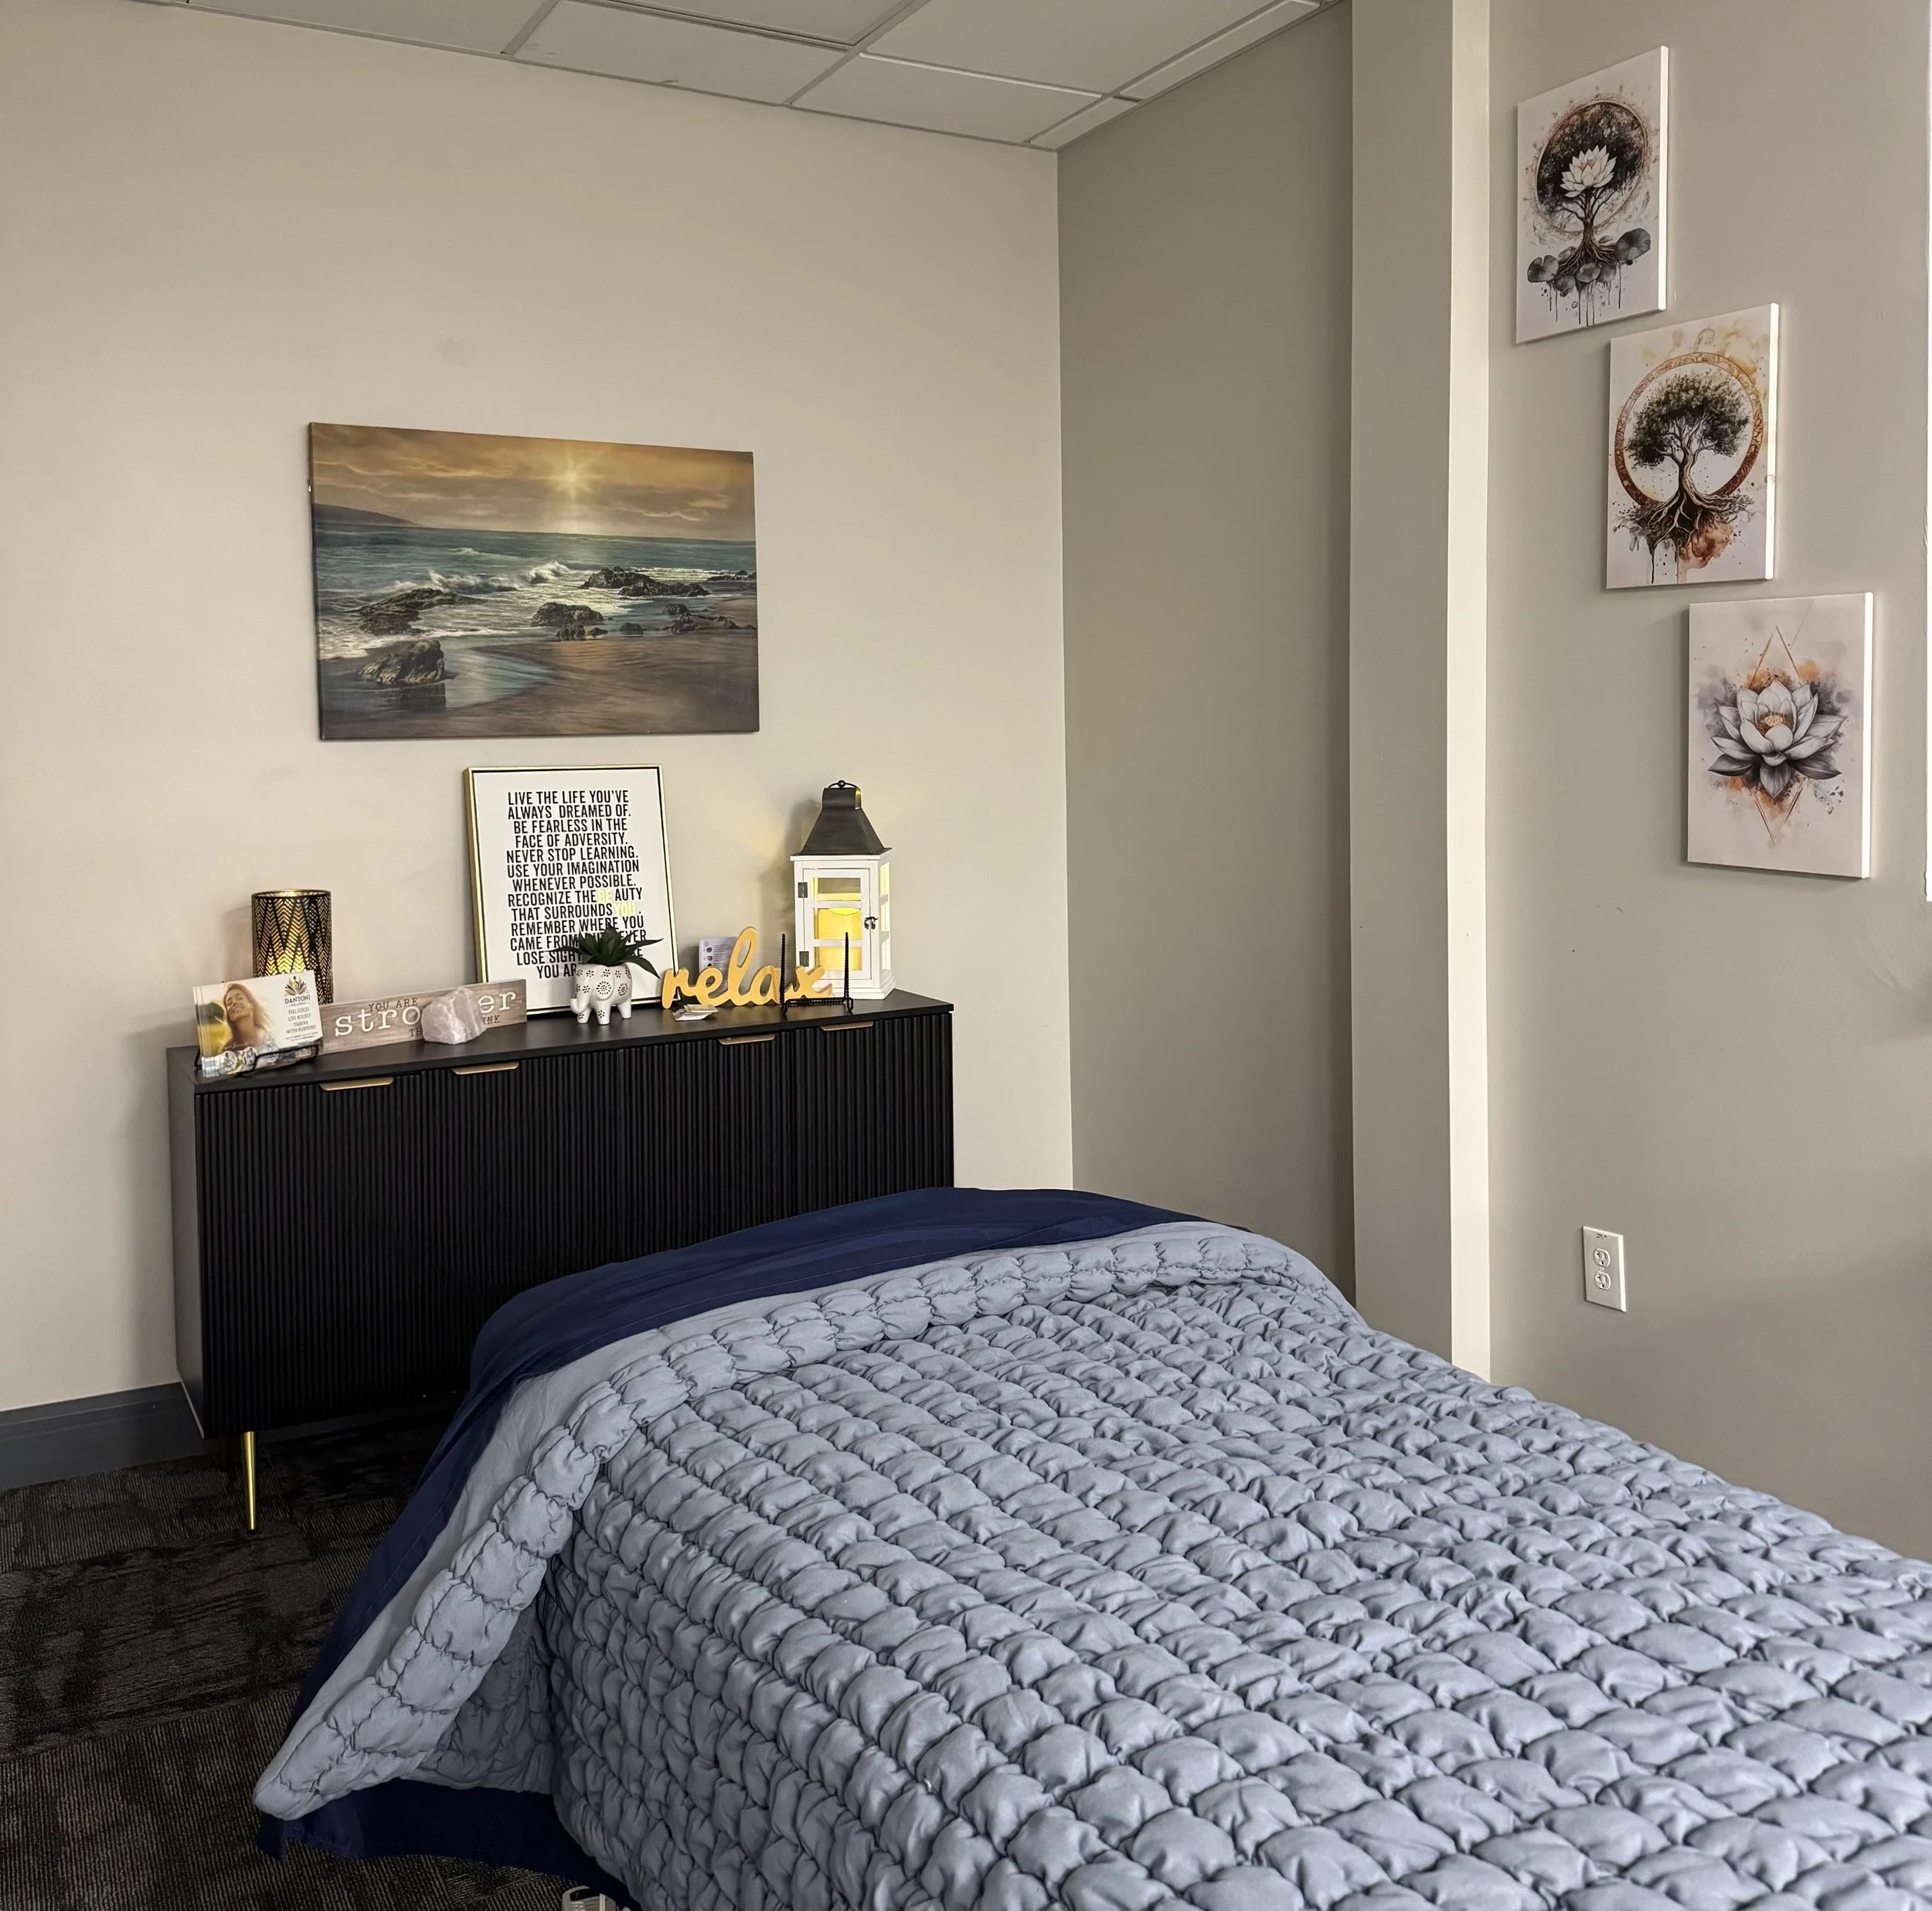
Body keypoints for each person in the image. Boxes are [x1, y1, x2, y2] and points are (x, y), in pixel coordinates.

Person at [223, 982, 267, 1051]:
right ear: (229, 1016)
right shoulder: (228, 1049)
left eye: (240, 998)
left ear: (252, 1005)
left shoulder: (269, 1037)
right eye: (229, 1003)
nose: (234, 1002)